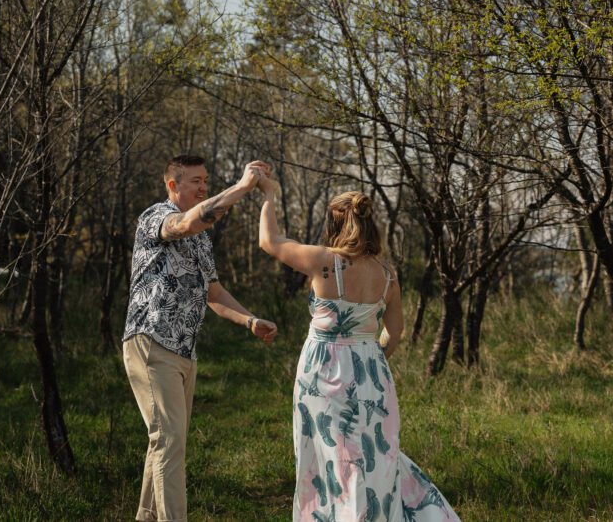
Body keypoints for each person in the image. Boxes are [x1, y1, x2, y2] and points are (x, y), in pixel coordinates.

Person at [255, 171, 460, 522]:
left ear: (334, 223)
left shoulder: (323, 261)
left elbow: (269, 241)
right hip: (372, 372)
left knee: (330, 456)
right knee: (376, 458)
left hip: (324, 372)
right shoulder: (388, 274)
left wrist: (269, 194)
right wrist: (369, 357)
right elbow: (394, 331)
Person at [123, 155, 278, 522]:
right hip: (151, 342)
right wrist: (242, 188)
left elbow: (214, 294)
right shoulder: (156, 217)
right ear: (172, 185)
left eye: (206, 180)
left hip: (184, 352)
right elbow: (187, 223)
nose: (204, 186)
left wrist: (249, 320)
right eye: (196, 181)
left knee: (166, 442)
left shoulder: (201, 241)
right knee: (170, 441)